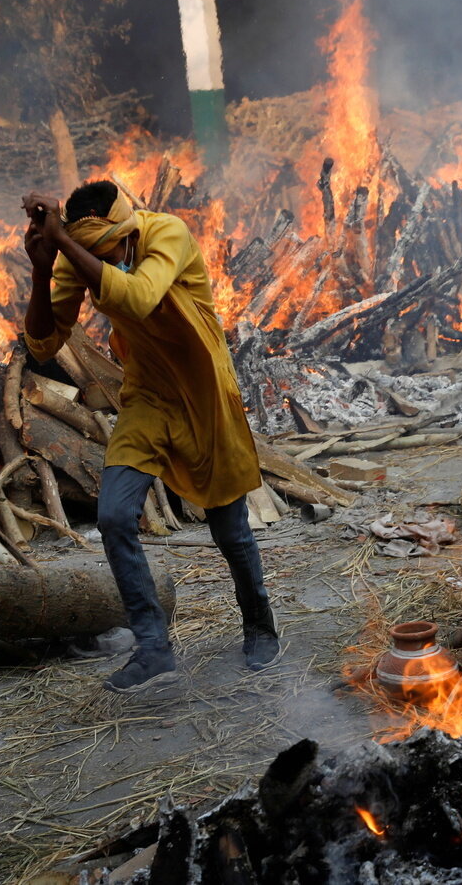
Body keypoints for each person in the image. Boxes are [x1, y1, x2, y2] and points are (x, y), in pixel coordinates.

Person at [21, 181, 280, 693]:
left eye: (106, 250)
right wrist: (42, 266)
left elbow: (138, 298)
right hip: (148, 397)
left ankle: (259, 625)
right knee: (114, 515)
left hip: (204, 392)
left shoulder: (167, 233)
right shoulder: (80, 254)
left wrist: (68, 244)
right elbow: (46, 341)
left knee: (229, 529)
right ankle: (154, 647)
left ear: (125, 229)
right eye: (89, 251)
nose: (100, 261)